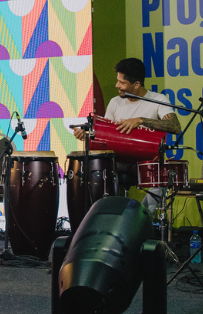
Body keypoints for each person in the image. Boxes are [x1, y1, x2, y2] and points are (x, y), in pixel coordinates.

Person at [73, 58, 180, 211]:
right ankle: (107, 217)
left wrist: (141, 121)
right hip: (118, 161)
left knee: (162, 177)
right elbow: (105, 134)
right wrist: (87, 134)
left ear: (136, 84)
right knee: (94, 171)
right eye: (118, 81)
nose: (117, 85)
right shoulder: (115, 102)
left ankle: (142, 218)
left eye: (122, 83)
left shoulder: (158, 100)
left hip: (147, 162)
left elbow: (175, 127)